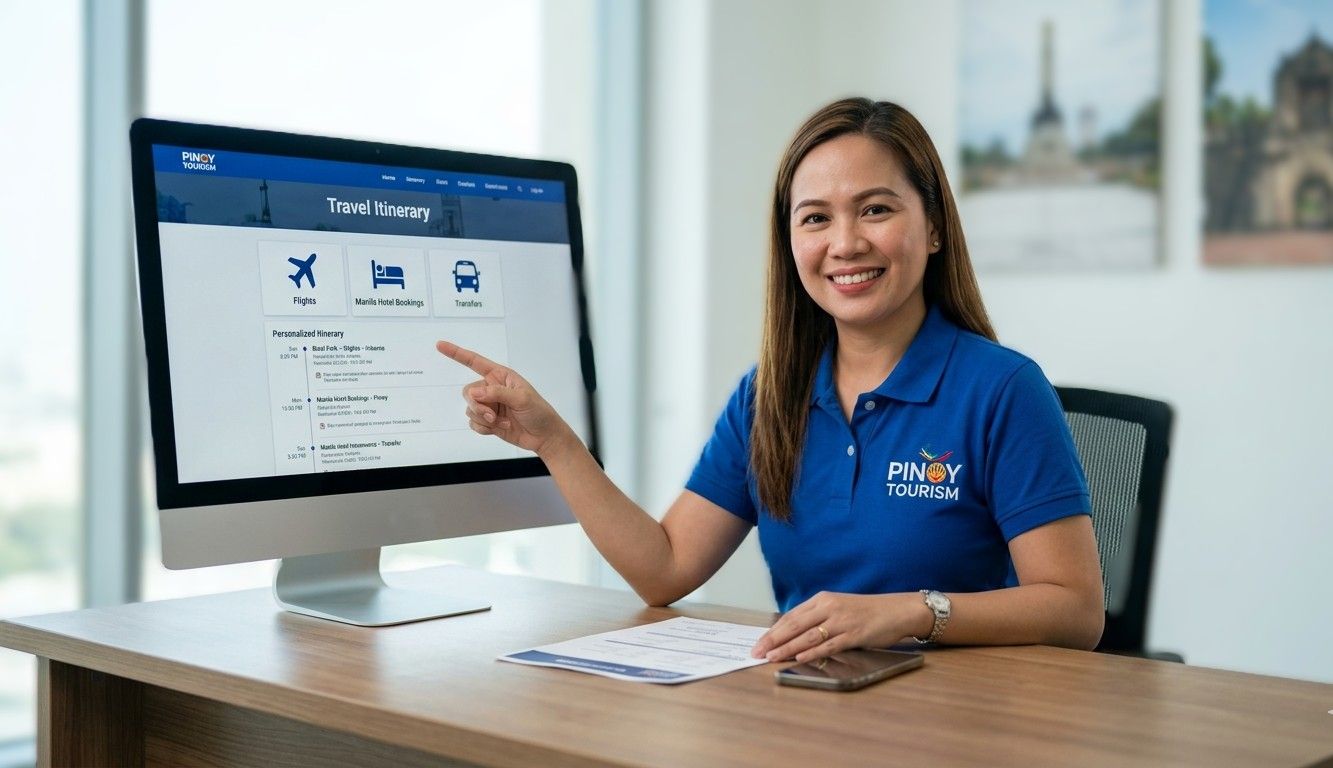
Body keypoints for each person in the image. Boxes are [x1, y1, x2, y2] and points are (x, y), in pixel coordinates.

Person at [437, 97, 1104, 663]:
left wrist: (909, 612)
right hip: (810, 710)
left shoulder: (1003, 389)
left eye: (875, 209)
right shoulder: (769, 395)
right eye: (815, 217)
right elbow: (663, 570)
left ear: (932, 227)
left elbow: (1075, 610)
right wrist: (555, 443)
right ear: (790, 243)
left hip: (961, 719)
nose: (844, 242)